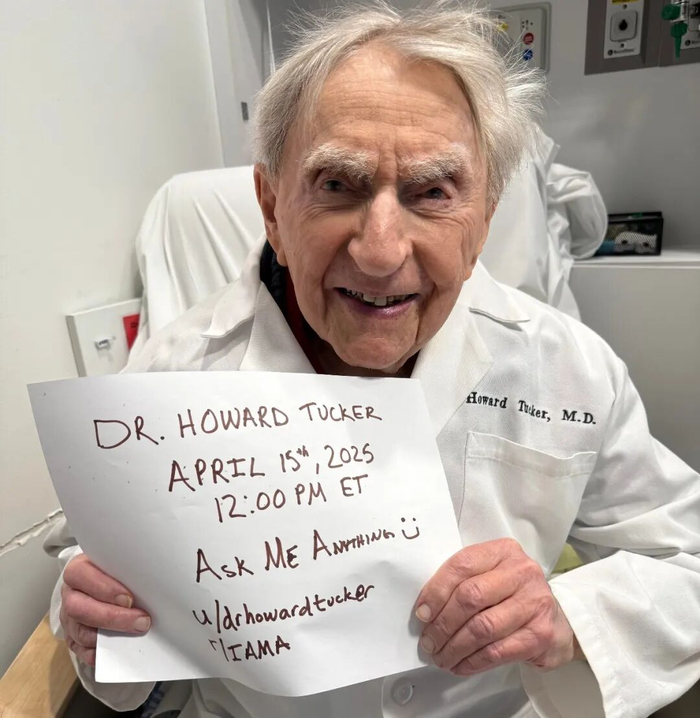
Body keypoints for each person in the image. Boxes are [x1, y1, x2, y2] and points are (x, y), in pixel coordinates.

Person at [45, 2, 700, 717]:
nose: (381, 252)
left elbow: (687, 559)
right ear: (272, 207)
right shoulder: (169, 379)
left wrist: (567, 617)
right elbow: (118, 641)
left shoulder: (566, 367)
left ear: (484, 217)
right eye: (337, 185)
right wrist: (93, 623)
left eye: (433, 192)